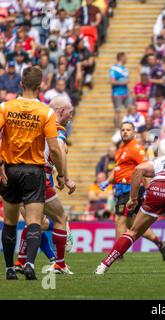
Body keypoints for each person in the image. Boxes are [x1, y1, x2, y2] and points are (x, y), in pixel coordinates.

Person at [0, 66, 65, 280]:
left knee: (10, 222)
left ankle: (10, 269)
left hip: (9, 170)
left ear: (20, 84)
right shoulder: (46, 112)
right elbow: (54, 148)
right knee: (35, 222)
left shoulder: (5, 107)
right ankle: (29, 264)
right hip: (34, 171)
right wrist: (62, 174)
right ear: (41, 86)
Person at [15, 96, 76, 275]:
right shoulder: (57, 128)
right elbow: (59, 150)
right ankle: (59, 264)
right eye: (70, 112)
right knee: (60, 218)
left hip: (20, 173)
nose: (71, 116)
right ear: (60, 111)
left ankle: (21, 261)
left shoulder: (37, 123)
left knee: (35, 221)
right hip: (41, 175)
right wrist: (65, 178)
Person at [100, 122, 165, 260]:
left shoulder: (136, 148)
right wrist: (108, 181)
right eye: (123, 130)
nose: (125, 132)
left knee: (119, 220)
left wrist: (150, 189)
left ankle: (117, 255)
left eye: (128, 130)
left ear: (134, 133)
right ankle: (160, 244)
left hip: (130, 189)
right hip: (120, 189)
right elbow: (118, 170)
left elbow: (144, 169)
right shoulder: (120, 149)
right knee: (133, 225)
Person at [110, 52, 131, 128]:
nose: (127, 59)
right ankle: (116, 129)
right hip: (117, 93)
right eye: (125, 57)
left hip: (125, 93)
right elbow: (112, 81)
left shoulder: (125, 69)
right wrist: (123, 82)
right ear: (121, 58)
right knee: (117, 111)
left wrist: (129, 90)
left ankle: (127, 126)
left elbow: (127, 81)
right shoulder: (114, 68)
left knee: (130, 109)